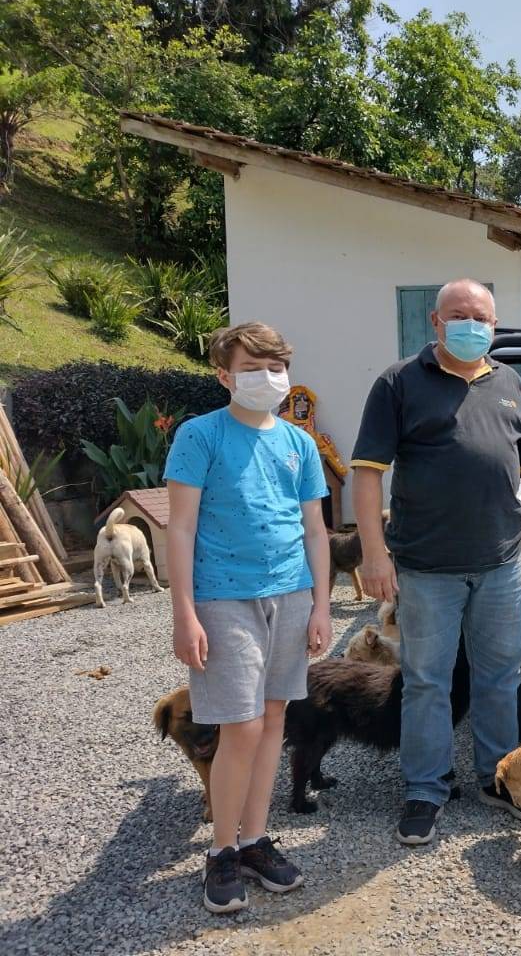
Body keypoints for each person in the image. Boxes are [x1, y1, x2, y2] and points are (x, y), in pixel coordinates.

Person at [351, 278, 521, 846]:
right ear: (436, 323)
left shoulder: (512, 383)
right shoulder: (399, 383)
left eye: (484, 318)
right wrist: (373, 553)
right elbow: (367, 471)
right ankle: (425, 787)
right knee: (426, 681)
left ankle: (501, 778)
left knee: (500, 675)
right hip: (425, 567)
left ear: (494, 326)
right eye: (461, 316)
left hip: (500, 564)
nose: (474, 326)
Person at [166, 322, 332, 914]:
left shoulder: (300, 443)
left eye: (276, 366)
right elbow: (180, 527)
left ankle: (257, 839)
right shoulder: (199, 435)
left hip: (290, 596)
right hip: (222, 599)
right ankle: (221, 851)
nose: (268, 378)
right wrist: (183, 611)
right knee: (238, 726)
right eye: (253, 367)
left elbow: (314, 529)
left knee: (272, 720)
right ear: (224, 375)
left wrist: (321, 605)